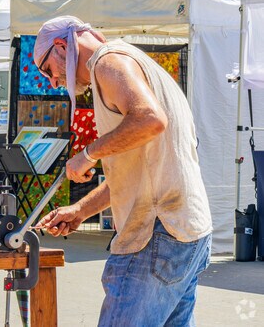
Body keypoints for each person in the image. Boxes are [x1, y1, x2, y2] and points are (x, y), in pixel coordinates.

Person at [32, 16, 212, 326]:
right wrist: (80, 209)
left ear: (61, 46)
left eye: (49, 70)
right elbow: (138, 169)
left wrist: (88, 154)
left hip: (155, 235)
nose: (53, 82)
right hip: (186, 230)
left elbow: (150, 119)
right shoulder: (138, 65)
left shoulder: (107, 61)